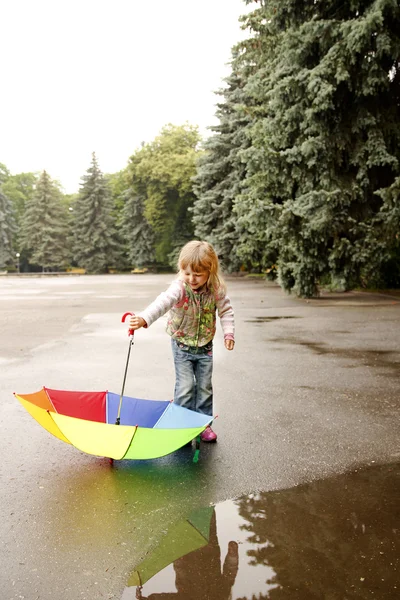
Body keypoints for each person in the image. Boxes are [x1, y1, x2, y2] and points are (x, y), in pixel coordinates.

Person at [129, 240, 235, 442]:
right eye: (187, 273)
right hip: (181, 346)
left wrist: (229, 333)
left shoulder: (216, 289)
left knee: (204, 388)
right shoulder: (179, 288)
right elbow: (162, 303)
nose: (192, 279)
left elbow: (226, 311)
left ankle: (202, 426)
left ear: (210, 271)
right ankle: (180, 427)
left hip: (205, 347)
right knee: (185, 387)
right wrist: (144, 318)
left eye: (198, 274)